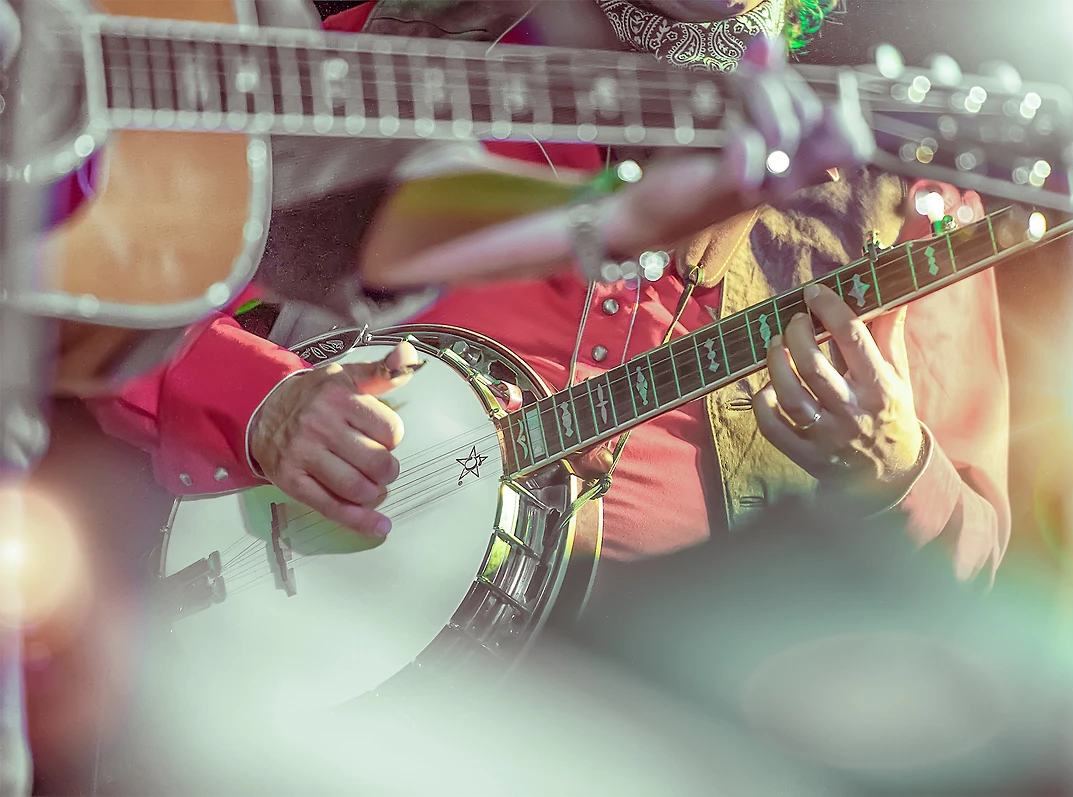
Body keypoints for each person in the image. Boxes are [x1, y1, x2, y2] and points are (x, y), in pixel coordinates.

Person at [87, 0, 1010, 583]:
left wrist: (896, 471)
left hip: (643, 712)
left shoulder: (906, 204)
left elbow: (979, 548)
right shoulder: (391, 55)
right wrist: (264, 403)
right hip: (303, 649)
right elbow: (100, 273)